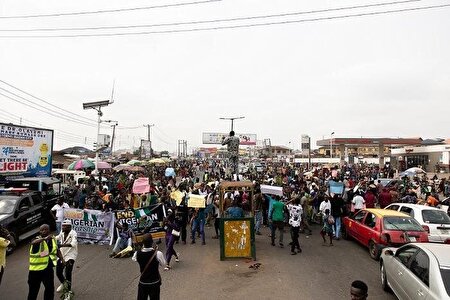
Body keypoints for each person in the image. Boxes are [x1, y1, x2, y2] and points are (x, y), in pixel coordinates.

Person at [28, 224, 65, 300]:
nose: (44, 231)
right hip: (35, 271)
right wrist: (44, 239)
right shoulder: (36, 239)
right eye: (42, 230)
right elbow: (33, 242)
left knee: (50, 288)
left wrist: (62, 259)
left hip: (47, 269)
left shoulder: (53, 239)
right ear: (39, 231)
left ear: (49, 230)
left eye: (46, 229)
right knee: (33, 291)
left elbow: (56, 250)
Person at [132, 234, 167, 300]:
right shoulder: (158, 253)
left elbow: (134, 259)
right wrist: (155, 250)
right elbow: (163, 264)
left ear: (143, 243)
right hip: (155, 282)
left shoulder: (137, 254)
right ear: (152, 242)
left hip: (143, 282)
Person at [55, 220, 78, 293]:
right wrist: (50, 237)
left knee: (68, 273)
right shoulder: (62, 232)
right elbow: (58, 237)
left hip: (71, 254)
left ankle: (68, 292)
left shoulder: (73, 233)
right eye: (62, 226)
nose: (62, 227)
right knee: (58, 272)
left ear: (69, 227)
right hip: (62, 253)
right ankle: (64, 283)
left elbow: (73, 244)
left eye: (64, 226)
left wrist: (61, 245)